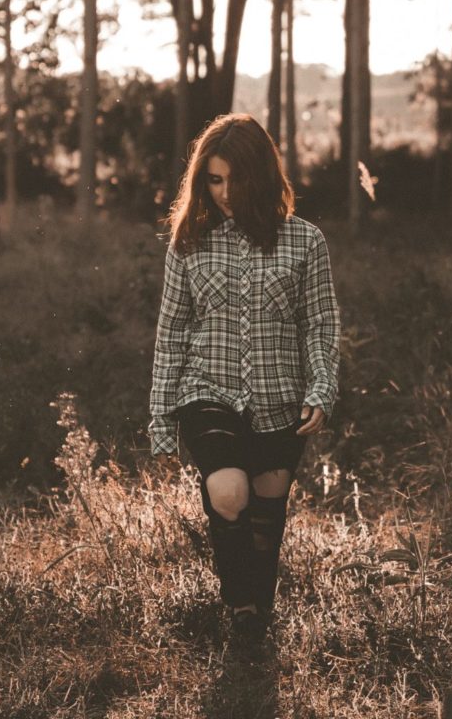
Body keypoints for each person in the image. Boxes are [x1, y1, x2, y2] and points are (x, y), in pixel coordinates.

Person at [147, 113, 342, 653]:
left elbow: (320, 323)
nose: (225, 192)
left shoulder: (306, 242)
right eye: (213, 179)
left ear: (263, 174)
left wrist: (321, 388)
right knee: (228, 490)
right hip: (206, 389)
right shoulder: (189, 242)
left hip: (282, 398)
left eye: (235, 178)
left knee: (266, 504)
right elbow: (170, 333)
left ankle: (258, 604)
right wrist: (162, 421)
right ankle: (242, 609)